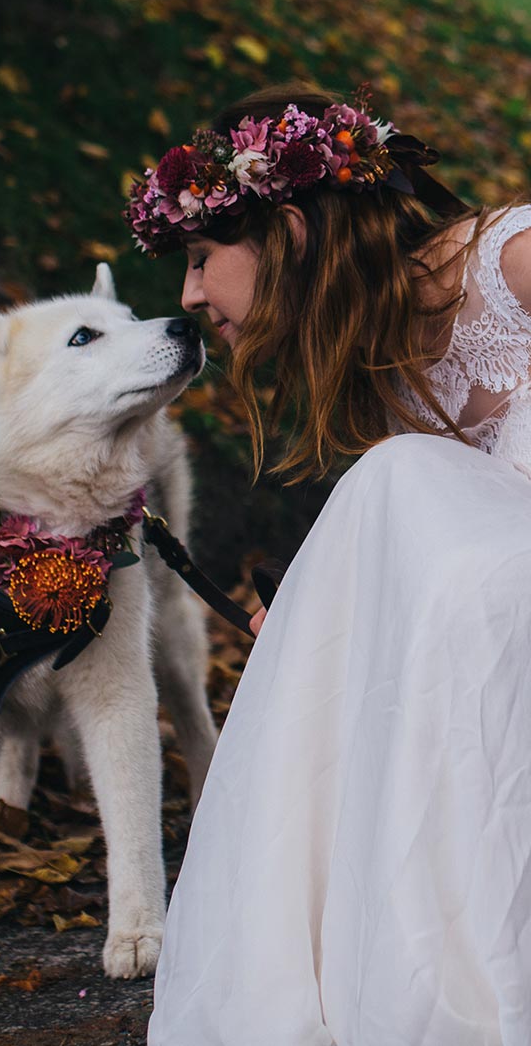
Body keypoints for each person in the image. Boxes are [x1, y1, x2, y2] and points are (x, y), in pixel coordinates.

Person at [123, 83, 531, 1046]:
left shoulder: (512, 261)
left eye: (199, 258)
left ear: (292, 232)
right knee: (386, 503)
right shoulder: (393, 376)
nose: (187, 295)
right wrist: (337, 611)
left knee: (394, 485)